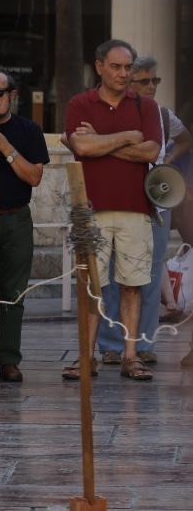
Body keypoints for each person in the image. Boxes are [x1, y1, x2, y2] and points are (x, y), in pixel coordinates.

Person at [61, 40, 161, 382]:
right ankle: (86, 357)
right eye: (116, 66)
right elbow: (81, 145)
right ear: (100, 66)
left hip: (136, 207)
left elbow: (149, 152)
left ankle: (130, 356)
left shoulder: (146, 106)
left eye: (128, 67)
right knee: (92, 286)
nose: (123, 73)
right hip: (92, 210)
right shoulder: (80, 103)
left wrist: (102, 142)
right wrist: (126, 137)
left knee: (133, 285)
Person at [97, 55, 192, 367]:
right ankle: (112, 344)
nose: (151, 86)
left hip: (157, 197)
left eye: (155, 81)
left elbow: (184, 139)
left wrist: (167, 159)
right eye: (144, 81)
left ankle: (145, 342)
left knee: (151, 270)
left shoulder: (163, 115)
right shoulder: (113, 111)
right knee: (113, 272)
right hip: (119, 197)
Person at [0, 66, 49, 383]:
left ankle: (8, 358)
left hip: (16, 218)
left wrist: (6, 149)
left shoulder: (28, 130)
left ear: (12, 95)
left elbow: (33, 176)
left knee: (12, 292)